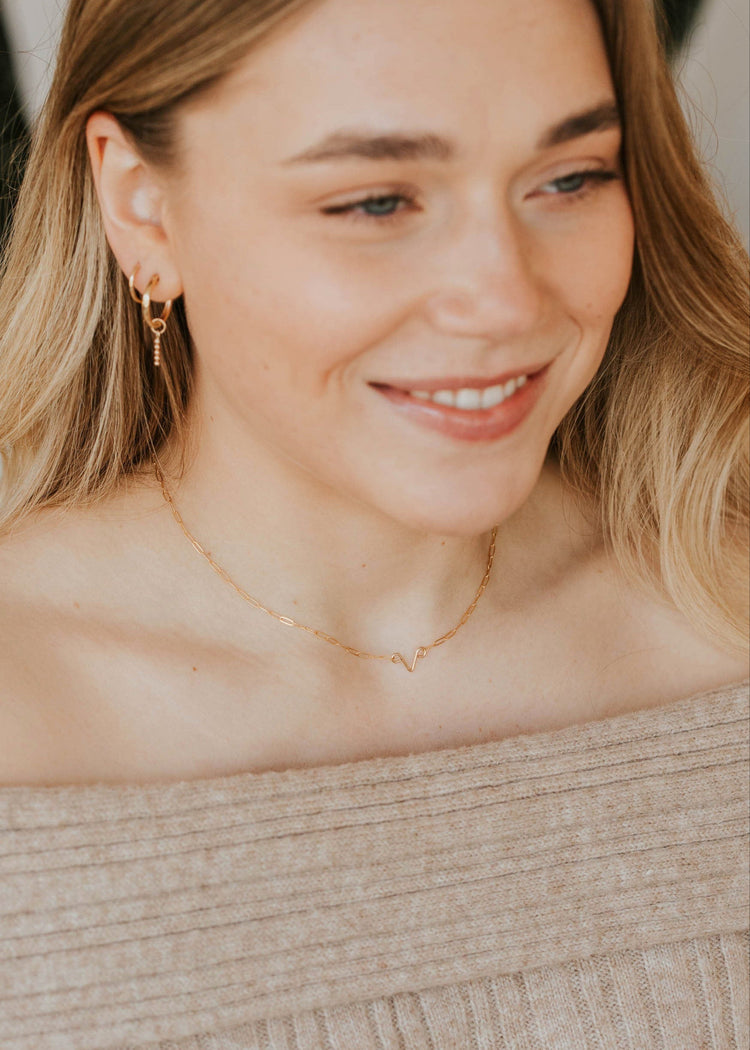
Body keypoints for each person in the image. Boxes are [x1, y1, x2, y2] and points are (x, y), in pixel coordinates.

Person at [0, 0, 747, 1045]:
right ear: (141, 207)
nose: (504, 299)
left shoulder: (724, 606)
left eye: (570, 178)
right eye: (377, 202)